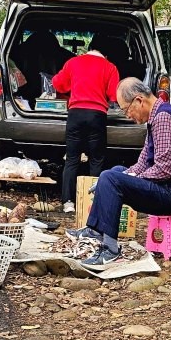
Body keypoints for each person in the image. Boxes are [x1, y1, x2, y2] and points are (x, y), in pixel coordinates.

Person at [74, 76, 171, 267]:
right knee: (114, 172)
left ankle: (110, 250)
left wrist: (122, 180)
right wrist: (122, 177)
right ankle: (96, 231)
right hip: (166, 188)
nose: (127, 116)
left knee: (111, 178)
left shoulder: (164, 118)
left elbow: (164, 170)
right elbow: (141, 164)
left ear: (139, 100)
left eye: (126, 110)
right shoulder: (155, 119)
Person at [51, 41, 120, 214]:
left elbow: (58, 83)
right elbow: (114, 95)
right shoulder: (110, 67)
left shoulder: (73, 62)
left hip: (75, 114)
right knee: (96, 159)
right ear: (106, 55)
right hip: (97, 116)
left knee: (72, 159)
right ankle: (92, 203)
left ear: (89, 50)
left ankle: (68, 202)